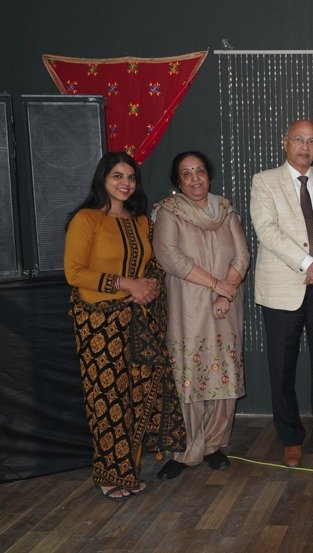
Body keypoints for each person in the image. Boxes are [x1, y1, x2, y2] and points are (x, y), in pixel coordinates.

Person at [64, 151, 186, 501]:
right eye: (117, 176)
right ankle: (109, 475)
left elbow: (152, 266)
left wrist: (148, 287)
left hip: (135, 321)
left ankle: (129, 471)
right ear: (102, 179)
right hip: (97, 324)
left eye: (131, 177)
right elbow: (74, 272)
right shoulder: (86, 219)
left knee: (135, 396)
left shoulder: (140, 221)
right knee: (106, 399)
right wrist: (125, 284)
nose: (125, 183)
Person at [250, 119, 313, 467]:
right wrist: (308, 264)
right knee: (282, 366)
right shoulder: (264, 181)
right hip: (282, 287)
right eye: (298, 139)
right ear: (285, 142)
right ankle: (291, 438)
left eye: (311, 141)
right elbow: (267, 230)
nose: (305, 147)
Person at [152, 151, 250, 479]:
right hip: (189, 307)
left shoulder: (224, 209)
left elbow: (242, 255)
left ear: (209, 175)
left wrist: (225, 291)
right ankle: (185, 451)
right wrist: (216, 285)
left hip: (226, 306)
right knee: (189, 374)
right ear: (178, 181)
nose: (195, 179)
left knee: (224, 372)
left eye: (200, 171)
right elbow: (170, 256)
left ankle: (213, 445)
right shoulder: (170, 212)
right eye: (187, 173)